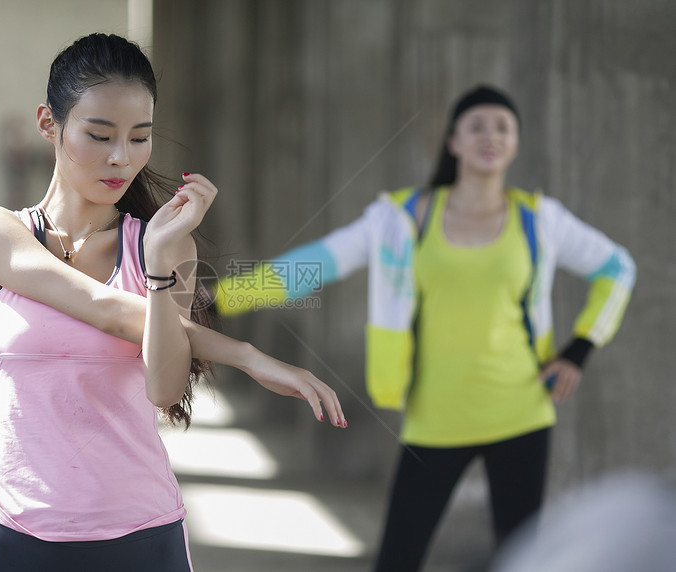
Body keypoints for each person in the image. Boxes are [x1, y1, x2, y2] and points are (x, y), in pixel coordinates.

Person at [0, 33, 346, 572]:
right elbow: (104, 308)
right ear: (49, 123)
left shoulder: (163, 245)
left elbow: (164, 387)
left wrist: (161, 263)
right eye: (99, 135)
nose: (122, 158)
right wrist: (248, 355)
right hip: (24, 538)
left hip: (142, 537)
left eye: (140, 137)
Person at [213, 85, 636, 571]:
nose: (490, 135)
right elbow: (320, 262)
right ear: (453, 141)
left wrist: (581, 347)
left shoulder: (540, 219)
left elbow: (618, 269)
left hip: (522, 413)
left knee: (521, 562)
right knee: (397, 561)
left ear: (517, 142)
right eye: (477, 125)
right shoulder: (403, 218)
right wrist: (224, 297)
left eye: (503, 126)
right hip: (435, 419)